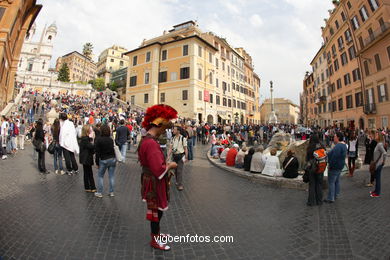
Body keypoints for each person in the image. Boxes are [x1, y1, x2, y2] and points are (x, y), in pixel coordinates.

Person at [138, 104, 178, 251]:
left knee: (158, 211)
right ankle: (155, 240)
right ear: (158, 125)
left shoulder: (146, 139)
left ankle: (157, 234)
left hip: (151, 180)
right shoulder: (151, 143)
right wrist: (170, 165)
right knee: (157, 212)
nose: (164, 132)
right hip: (154, 183)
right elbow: (158, 169)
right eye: (164, 128)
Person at [324, 132, 347, 203]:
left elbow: (334, 157)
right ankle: (336, 194)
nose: (333, 138)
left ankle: (331, 198)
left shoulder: (338, 146)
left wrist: (330, 164)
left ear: (338, 138)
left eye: (334, 137)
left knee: (331, 182)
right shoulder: (344, 145)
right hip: (340, 165)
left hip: (335, 166)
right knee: (336, 181)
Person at [94, 124, 116, 198]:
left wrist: (97, 163)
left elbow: (97, 153)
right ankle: (111, 192)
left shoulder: (99, 140)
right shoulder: (110, 139)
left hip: (104, 159)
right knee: (111, 176)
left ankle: (99, 192)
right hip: (112, 159)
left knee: (100, 176)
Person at [167, 126, 188, 191]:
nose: (173, 130)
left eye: (174, 130)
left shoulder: (183, 139)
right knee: (175, 170)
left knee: (179, 171)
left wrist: (186, 157)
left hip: (180, 156)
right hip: (174, 156)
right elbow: (170, 148)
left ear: (178, 131)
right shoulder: (172, 138)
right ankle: (177, 181)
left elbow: (185, 148)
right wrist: (168, 156)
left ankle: (180, 184)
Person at [306, 134, 324, 206]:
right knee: (319, 184)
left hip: (312, 168)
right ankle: (319, 201)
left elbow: (307, 159)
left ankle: (311, 201)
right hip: (320, 167)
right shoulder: (322, 146)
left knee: (312, 185)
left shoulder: (310, 147)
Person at [79, 125, 96, 193]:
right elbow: (91, 147)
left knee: (87, 172)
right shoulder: (85, 139)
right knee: (89, 173)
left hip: (84, 158)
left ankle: (88, 187)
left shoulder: (83, 139)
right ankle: (92, 187)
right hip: (86, 158)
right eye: (89, 129)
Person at [370, 133, 386, 198]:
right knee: (376, 178)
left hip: (378, 164)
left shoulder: (379, 144)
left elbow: (384, 153)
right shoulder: (378, 144)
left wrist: (383, 161)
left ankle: (377, 193)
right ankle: (375, 191)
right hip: (377, 164)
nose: (375, 136)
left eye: (376, 135)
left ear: (379, 137)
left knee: (378, 179)